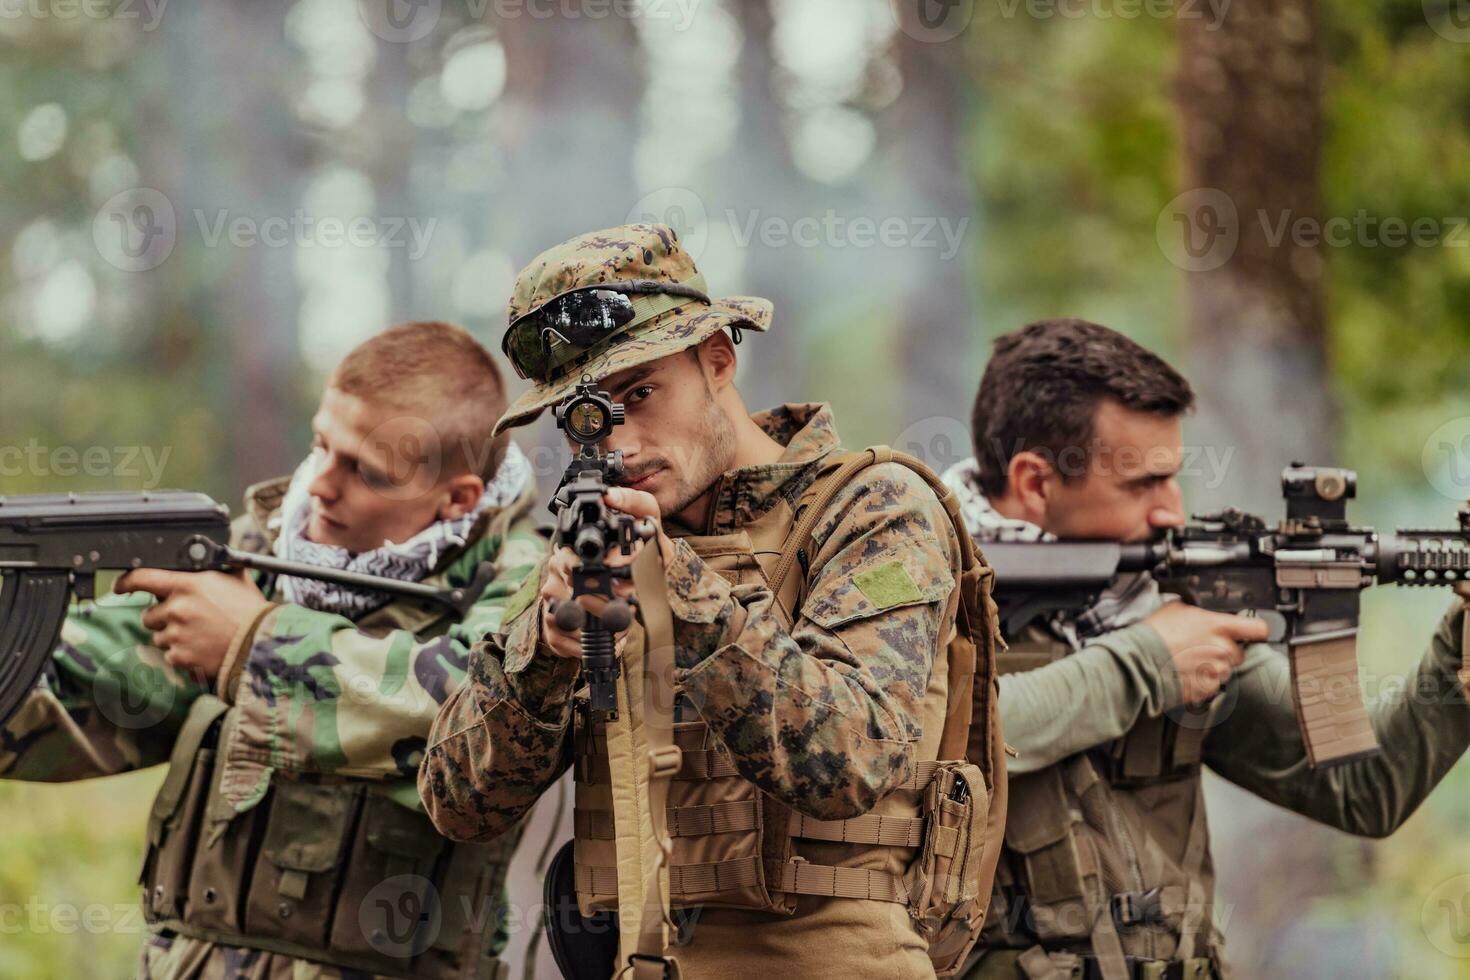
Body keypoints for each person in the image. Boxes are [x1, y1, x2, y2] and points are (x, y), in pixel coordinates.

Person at [419, 223, 1003, 980]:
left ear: (718, 360)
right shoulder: (594, 539)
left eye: (641, 393)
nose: (619, 443)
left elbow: (852, 760)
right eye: (586, 416)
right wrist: (545, 655)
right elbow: (460, 804)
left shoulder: (872, 509)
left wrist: (681, 590)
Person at [1, 321, 547, 980]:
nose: (319, 484)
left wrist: (252, 645)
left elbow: (468, 715)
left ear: (455, 496)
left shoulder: (528, 584)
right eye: (321, 446)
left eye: (363, 471)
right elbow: (66, 686)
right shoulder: (264, 558)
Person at [950, 319, 1470, 980]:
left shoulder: (1157, 600)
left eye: (1175, 477)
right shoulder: (917, 589)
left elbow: (1363, 788)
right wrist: (1143, 666)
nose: (1174, 509)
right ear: (1035, 483)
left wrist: (1456, 655)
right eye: (1143, 483)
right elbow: (919, 742)